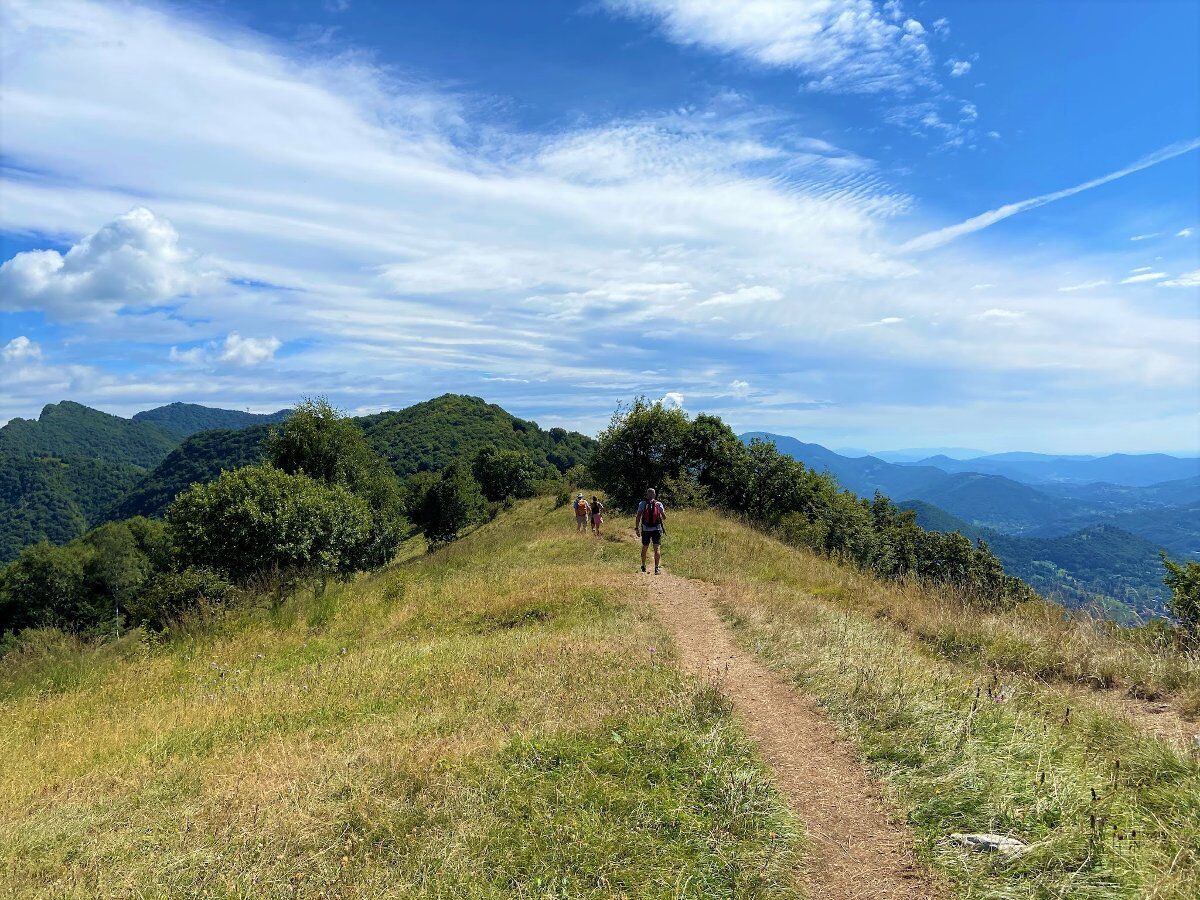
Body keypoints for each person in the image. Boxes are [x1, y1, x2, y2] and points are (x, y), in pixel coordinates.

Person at [634, 488, 666, 574]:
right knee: (657, 548)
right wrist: (661, 511)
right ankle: (656, 568)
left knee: (645, 547)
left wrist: (637, 528)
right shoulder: (659, 504)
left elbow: (638, 516)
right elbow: (664, 517)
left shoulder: (642, 504)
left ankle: (643, 565)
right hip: (657, 529)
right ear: (655, 495)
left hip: (645, 529)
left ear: (647, 495)